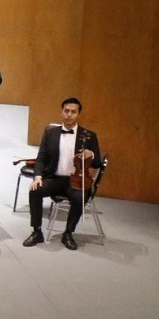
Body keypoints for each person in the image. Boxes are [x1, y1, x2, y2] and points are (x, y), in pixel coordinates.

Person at [24, 97, 102, 250]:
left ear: (78, 114)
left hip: (77, 181)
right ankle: (37, 231)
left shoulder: (88, 136)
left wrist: (91, 154)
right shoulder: (50, 133)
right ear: (61, 112)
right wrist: (38, 176)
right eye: (66, 111)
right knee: (35, 190)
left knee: (80, 198)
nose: (69, 115)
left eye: (73, 112)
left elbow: (98, 162)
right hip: (54, 178)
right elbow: (41, 158)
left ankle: (68, 233)